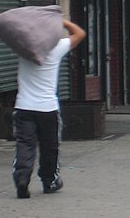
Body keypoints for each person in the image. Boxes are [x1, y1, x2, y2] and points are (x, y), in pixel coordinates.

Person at [12, 19, 86, 199]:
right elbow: (80, 33)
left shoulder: (24, 49)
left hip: (24, 106)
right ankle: (49, 180)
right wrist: (61, 21)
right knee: (50, 147)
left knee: (25, 144)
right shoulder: (56, 48)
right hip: (47, 108)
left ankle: (22, 178)